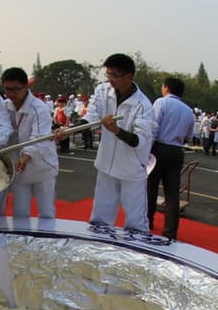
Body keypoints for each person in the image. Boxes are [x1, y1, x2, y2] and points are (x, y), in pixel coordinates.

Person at [59, 54, 154, 232]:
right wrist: (68, 131)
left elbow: (139, 141)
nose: (110, 80)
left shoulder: (143, 106)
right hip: (106, 166)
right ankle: (99, 250)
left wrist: (116, 130)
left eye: (115, 76)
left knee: (136, 223)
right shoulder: (103, 91)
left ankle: (136, 254)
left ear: (129, 77)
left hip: (131, 170)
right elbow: (91, 117)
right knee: (100, 218)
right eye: (108, 74)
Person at [1, 67, 58, 219]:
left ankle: (48, 241)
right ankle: (19, 242)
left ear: (26, 87)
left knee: (46, 213)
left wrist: (26, 156)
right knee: (20, 213)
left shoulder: (39, 108)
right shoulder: (4, 106)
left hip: (42, 167)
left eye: (16, 89)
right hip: (18, 168)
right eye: (7, 89)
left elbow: (40, 137)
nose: (11, 94)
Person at [146, 77, 196, 239]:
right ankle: (170, 230)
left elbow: (153, 127)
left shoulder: (161, 103)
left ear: (166, 88)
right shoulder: (188, 110)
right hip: (177, 150)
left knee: (150, 187)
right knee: (172, 193)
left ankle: (147, 221)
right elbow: (189, 136)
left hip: (159, 147)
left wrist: (147, 149)